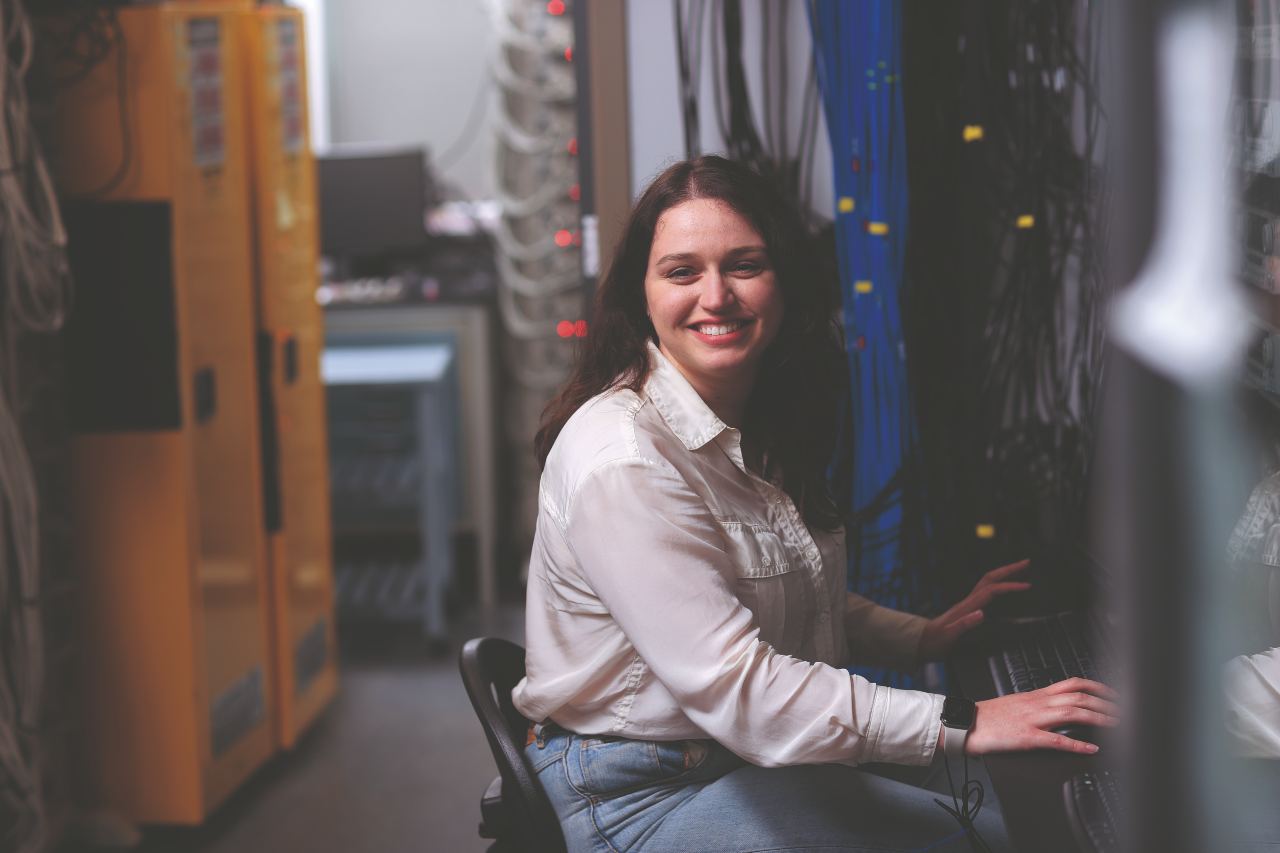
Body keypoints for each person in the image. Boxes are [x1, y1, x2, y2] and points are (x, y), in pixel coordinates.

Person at [513, 155, 1119, 853]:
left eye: (744, 265)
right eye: (683, 271)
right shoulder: (626, 460)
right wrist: (969, 716)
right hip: (640, 796)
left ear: (785, 283)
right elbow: (742, 686)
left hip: (735, 756)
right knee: (1005, 836)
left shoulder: (746, 421)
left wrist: (918, 636)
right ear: (641, 296)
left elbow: (766, 590)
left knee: (1023, 813)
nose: (716, 295)